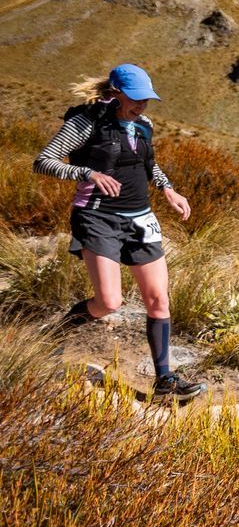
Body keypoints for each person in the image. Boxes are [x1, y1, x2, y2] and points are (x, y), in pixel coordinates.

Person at [35, 64, 204, 399]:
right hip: (97, 218)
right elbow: (44, 161)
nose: (142, 105)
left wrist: (168, 189)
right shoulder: (85, 123)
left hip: (140, 219)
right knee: (109, 301)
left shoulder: (144, 125)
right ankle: (52, 336)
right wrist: (88, 173)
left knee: (158, 300)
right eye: (135, 98)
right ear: (115, 93)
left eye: (146, 99)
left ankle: (165, 382)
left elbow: (148, 163)